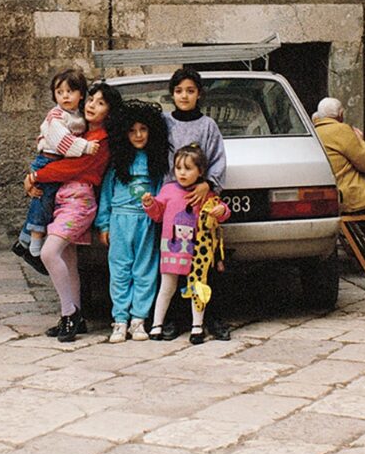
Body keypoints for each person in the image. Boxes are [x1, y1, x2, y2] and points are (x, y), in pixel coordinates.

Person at [24, 81, 120, 343]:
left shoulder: (101, 141)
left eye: (101, 103)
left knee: (48, 252)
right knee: (69, 261)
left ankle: (70, 314)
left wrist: (36, 175)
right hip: (63, 200)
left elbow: (71, 169)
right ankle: (77, 317)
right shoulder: (81, 134)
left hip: (80, 203)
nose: (92, 105)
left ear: (109, 113)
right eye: (91, 99)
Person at [160, 67, 232, 339]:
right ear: (172, 94)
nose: (184, 96)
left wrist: (207, 185)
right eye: (179, 91)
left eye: (190, 91)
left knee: (205, 263)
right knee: (174, 263)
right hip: (175, 204)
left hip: (202, 204)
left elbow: (218, 159)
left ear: (199, 94)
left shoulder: (207, 126)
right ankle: (174, 319)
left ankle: (211, 317)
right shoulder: (166, 123)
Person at [95, 100, 168, 343]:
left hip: (146, 222)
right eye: (132, 130)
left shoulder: (156, 162)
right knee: (119, 270)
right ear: (123, 133)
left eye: (143, 129)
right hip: (119, 220)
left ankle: (139, 319)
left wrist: (156, 213)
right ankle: (120, 320)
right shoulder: (117, 163)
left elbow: (161, 195)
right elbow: (106, 195)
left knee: (145, 269)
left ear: (152, 131)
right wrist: (103, 224)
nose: (138, 135)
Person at [146, 144, 231, 344]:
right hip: (172, 248)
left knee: (198, 287)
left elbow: (221, 208)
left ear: (201, 171)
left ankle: (197, 326)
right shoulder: (167, 190)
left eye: (188, 168)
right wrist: (150, 204)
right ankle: (157, 324)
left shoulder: (205, 194)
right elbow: (158, 214)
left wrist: (221, 210)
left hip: (196, 251)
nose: (182, 173)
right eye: (178, 168)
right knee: (167, 286)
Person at [14, 68, 95, 272]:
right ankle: (34, 245)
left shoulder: (78, 114)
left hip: (57, 161)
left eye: (70, 91)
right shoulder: (57, 114)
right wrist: (85, 147)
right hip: (48, 161)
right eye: (60, 92)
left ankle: (23, 242)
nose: (65, 96)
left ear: (81, 94)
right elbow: (62, 140)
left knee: (48, 201)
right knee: (44, 199)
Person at [312, 96, 365, 268]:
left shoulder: (314, 131)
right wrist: (360, 140)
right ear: (341, 114)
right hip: (348, 193)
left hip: (334, 192)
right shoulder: (340, 130)